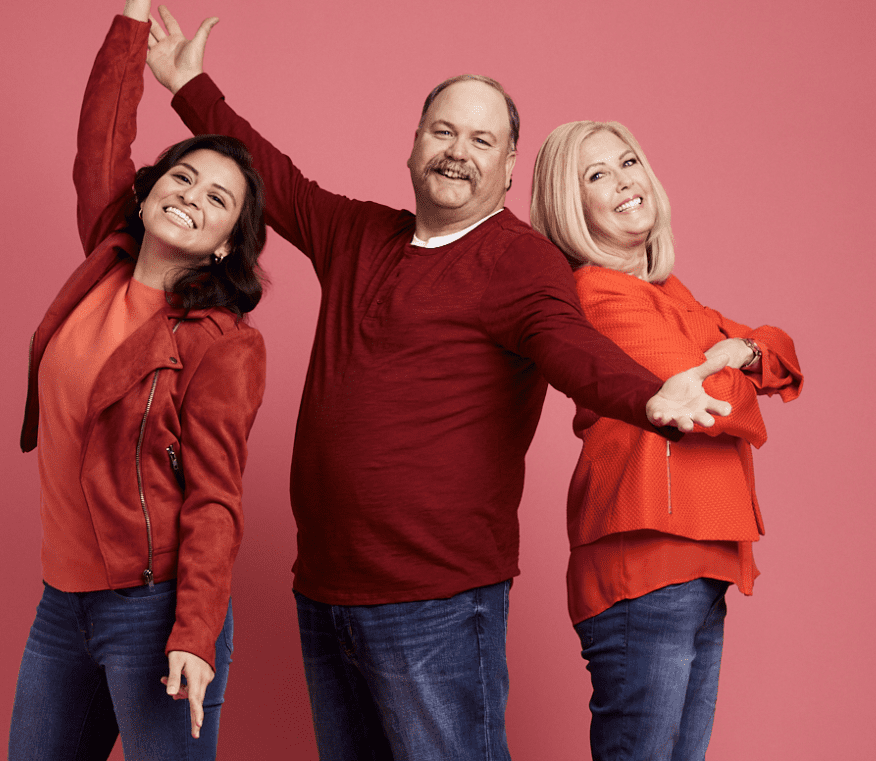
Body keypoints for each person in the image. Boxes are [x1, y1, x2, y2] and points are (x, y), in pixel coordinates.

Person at [141, 7, 732, 759]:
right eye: (443, 131)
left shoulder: (521, 262)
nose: (458, 152)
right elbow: (274, 176)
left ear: (511, 165)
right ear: (415, 144)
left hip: (439, 605)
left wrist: (649, 396)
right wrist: (189, 84)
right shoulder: (356, 233)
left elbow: (569, 345)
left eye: (482, 140)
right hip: (324, 592)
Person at [8, 2, 266, 758]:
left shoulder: (223, 345)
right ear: (149, 189)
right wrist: (130, 15)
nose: (191, 195)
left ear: (225, 246)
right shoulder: (105, 259)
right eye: (182, 177)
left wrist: (193, 632)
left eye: (218, 199)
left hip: (154, 611)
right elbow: (101, 139)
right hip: (63, 601)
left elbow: (217, 498)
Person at [530, 120, 803, 760]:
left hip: (695, 561)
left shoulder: (666, 293)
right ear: (573, 208)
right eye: (597, 175)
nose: (625, 181)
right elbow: (710, 403)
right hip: (647, 560)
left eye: (628, 162)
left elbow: (782, 353)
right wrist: (732, 359)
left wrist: (742, 349)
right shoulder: (596, 296)